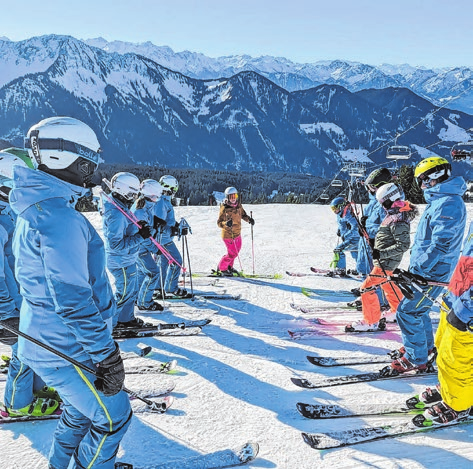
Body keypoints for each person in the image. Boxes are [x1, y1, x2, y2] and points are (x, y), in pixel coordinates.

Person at [9, 117, 132, 468]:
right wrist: (106, 354)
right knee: (113, 418)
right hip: (65, 346)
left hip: (44, 339)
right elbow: (73, 301)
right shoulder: (60, 219)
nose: (93, 172)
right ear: (73, 158)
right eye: (91, 160)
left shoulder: (36, 207)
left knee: (80, 414)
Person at [389, 156, 467, 373]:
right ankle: (423, 348)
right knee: (418, 310)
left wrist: (419, 272)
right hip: (427, 270)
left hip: (433, 272)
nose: (422, 185)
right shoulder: (442, 201)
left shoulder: (448, 203)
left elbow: (441, 244)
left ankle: (416, 358)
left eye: (423, 180)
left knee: (407, 312)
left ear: (436, 175)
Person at [0, 152, 61, 419]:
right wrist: (5, 312)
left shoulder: (6, 212)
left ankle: (36, 389)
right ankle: (16, 404)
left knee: (33, 343)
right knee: (22, 349)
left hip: (17, 293)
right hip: (7, 302)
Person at [413, 220, 473, 425]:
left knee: (456, 357)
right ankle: (454, 389)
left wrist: (468, 306)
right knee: (442, 345)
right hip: (460, 290)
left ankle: (459, 404)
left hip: (468, 304)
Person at [346, 183, 417, 332]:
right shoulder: (395, 213)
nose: (382, 206)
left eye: (383, 202)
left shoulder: (398, 218)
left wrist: (381, 253)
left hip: (386, 261)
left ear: (390, 199)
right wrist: (374, 241)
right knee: (387, 284)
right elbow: (389, 235)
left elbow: (403, 245)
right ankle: (397, 311)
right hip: (385, 261)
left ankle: (371, 321)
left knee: (366, 288)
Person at [102, 172, 153, 328]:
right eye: (131, 193)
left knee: (131, 292)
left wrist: (139, 224)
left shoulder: (122, 207)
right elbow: (115, 245)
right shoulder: (116, 214)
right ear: (122, 190)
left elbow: (128, 225)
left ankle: (125, 319)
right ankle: (110, 324)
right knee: (123, 294)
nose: (133, 197)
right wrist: (140, 236)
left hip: (128, 259)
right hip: (120, 261)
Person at [132, 179, 164, 311]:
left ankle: (139, 297)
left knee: (142, 273)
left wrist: (156, 225)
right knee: (153, 273)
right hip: (140, 248)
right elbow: (143, 236)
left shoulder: (146, 207)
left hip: (140, 248)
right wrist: (155, 249)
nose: (158, 197)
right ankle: (145, 302)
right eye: (157, 195)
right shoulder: (140, 211)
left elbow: (148, 229)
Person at [153, 175, 187, 296]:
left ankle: (158, 287)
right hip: (163, 239)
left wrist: (177, 226)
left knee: (162, 262)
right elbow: (158, 225)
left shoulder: (163, 201)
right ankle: (171, 288)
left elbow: (167, 221)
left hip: (163, 238)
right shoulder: (161, 202)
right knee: (176, 260)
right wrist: (174, 231)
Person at [356, 168, 392, 276]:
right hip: (366, 244)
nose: (368, 190)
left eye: (371, 187)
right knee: (365, 268)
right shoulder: (373, 202)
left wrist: (369, 231)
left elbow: (388, 229)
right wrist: (363, 225)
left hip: (376, 246)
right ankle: (366, 288)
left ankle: (374, 291)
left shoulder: (387, 204)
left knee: (376, 274)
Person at [216, 187, 254, 276]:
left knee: (235, 252)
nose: (233, 198)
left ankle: (229, 266)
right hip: (228, 234)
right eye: (231, 196)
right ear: (227, 197)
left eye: (235, 196)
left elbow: (243, 215)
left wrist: (249, 220)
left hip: (237, 233)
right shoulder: (224, 208)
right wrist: (226, 223)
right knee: (232, 253)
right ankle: (222, 268)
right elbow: (219, 222)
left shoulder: (238, 205)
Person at [328, 197, 360, 277]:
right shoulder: (340, 214)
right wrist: (339, 230)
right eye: (332, 209)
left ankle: (341, 269)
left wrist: (347, 235)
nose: (334, 211)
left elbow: (356, 226)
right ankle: (360, 269)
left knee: (338, 250)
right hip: (349, 238)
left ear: (341, 206)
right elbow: (341, 224)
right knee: (355, 253)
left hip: (353, 238)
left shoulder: (348, 214)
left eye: (335, 208)